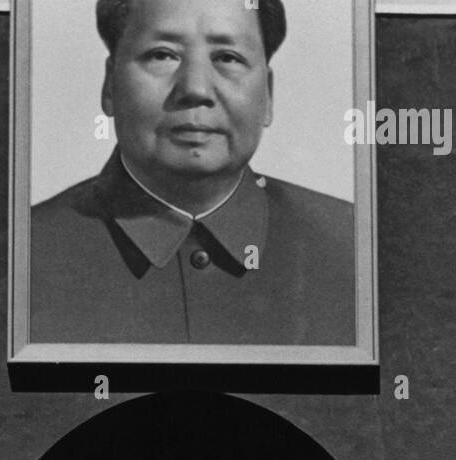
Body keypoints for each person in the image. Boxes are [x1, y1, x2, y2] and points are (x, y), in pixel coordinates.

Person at [30, 0, 354, 346]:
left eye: (228, 58)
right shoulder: (20, 255)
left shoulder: (355, 249)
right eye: (162, 55)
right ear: (109, 84)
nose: (196, 89)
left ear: (268, 96)